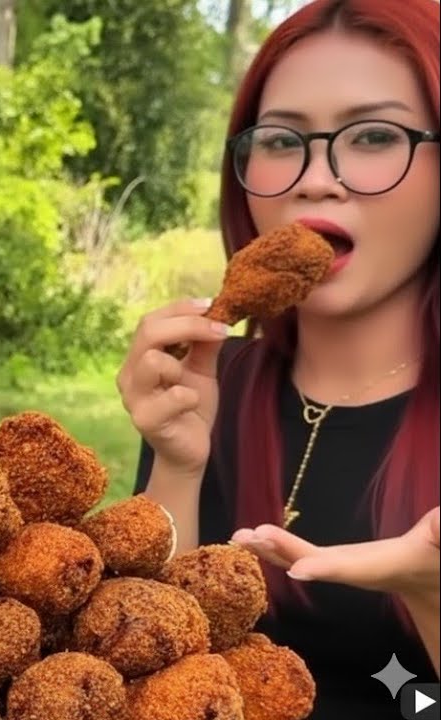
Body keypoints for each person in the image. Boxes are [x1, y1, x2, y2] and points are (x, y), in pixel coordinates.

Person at [117, 0, 439, 716]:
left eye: (375, 135)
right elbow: (153, 671)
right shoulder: (208, 384)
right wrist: (178, 463)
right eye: (282, 140)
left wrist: (433, 598)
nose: (315, 178)